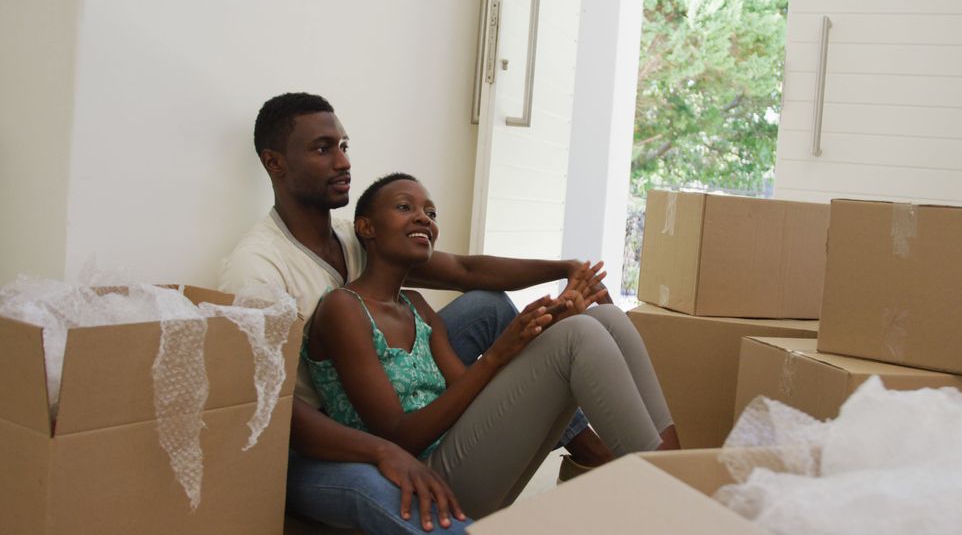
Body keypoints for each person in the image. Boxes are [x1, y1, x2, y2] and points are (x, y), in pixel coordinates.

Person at [219, 93, 622, 533]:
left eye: (344, 146)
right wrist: (381, 451)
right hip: (312, 443)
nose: (342, 162)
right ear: (275, 163)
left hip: (374, 392)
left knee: (489, 307)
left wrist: (564, 268)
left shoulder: (352, 236)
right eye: (323, 148)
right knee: (400, 497)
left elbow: (465, 269)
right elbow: (267, 407)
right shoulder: (256, 268)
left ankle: (587, 452)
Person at [303, 173, 679, 518]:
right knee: (579, 335)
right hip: (426, 481)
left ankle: (683, 478)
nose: (423, 218)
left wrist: (539, 330)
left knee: (604, 320)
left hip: (466, 454)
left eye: (430, 212)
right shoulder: (344, 308)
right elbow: (399, 435)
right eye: (405, 207)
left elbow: (470, 395)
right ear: (365, 227)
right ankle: (679, 503)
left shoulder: (416, 306)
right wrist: (500, 352)